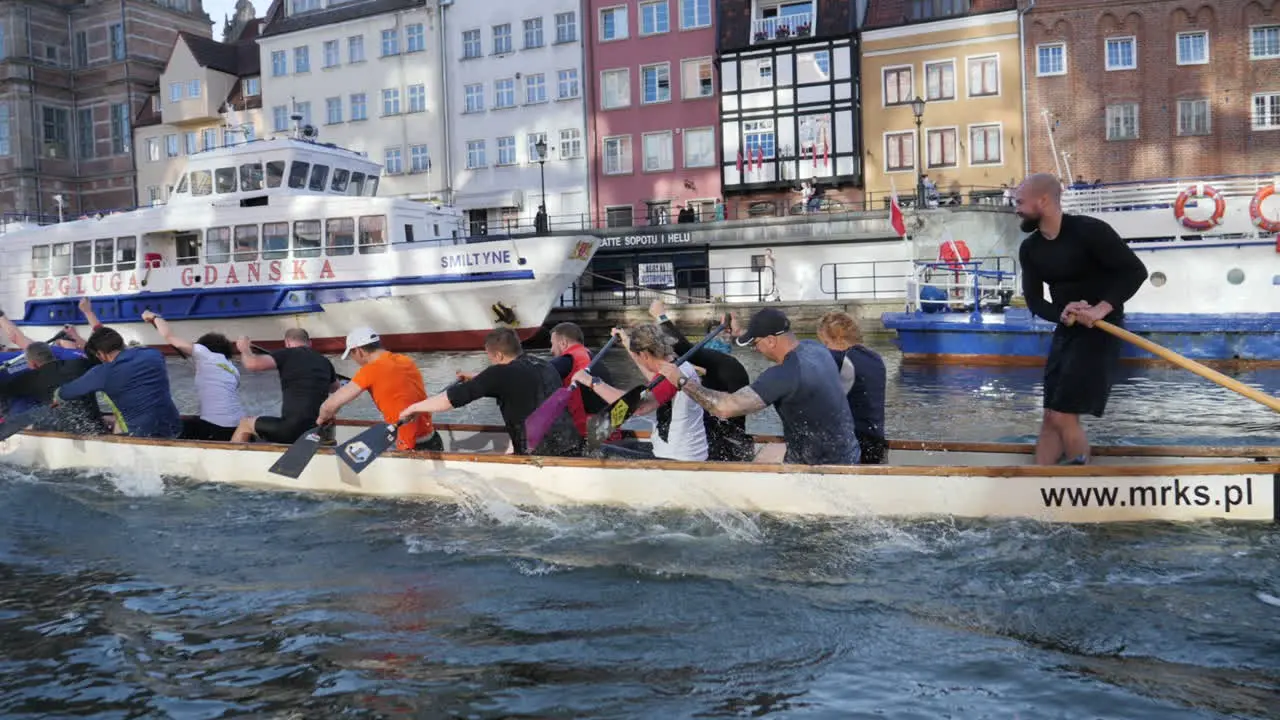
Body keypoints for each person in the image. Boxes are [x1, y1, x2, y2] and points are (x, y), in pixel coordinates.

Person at [1015, 172, 1148, 465]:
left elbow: (1135, 272)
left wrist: (1100, 309)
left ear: (1044, 200)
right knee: (1051, 415)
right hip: (1068, 333)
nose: (1017, 208)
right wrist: (1061, 314)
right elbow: (1035, 301)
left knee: (1063, 415)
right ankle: (1039, 482)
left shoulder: (1090, 231)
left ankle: (1078, 480)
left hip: (1102, 331)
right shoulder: (1030, 249)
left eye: (1020, 202)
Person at [658, 308, 860, 466]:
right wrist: (739, 334)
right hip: (849, 454)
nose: (756, 349)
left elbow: (724, 408)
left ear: (771, 341)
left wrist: (683, 381)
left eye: (756, 343)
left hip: (817, 469)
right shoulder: (815, 348)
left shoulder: (783, 375)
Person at [398, 328, 581, 457]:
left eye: (490, 358)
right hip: (571, 445)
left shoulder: (499, 373)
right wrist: (477, 378)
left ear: (499, 356)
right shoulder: (544, 365)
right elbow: (516, 382)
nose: (491, 363)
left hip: (540, 455)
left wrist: (413, 408)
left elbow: (450, 399)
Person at [574, 324, 708, 462]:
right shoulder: (675, 367)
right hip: (676, 452)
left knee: (593, 452)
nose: (640, 362)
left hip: (676, 460)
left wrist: (592, 381)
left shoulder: (670, 377)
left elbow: (639, 407)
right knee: (616, 445)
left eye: (638, 357)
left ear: (644, 355)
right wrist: (626, 341)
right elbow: (651, 374)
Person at [649, 301, 754, 462]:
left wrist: (660, 316)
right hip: (735, 445)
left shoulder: (727, 367)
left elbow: (684, 349)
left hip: (721, 450)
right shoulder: (727, 367)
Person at [316, 327, 443, 451]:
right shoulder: (405, 360)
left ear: (359, 351)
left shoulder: (370, 370)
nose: (354, 359)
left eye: (352, 354)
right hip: (432, 438)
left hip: (410, 445)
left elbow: (330, 405)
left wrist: (319, 421)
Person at [53, 326, 182, 438]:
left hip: (143, 434)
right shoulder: (153, 354)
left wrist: (56, 396)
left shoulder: (102, 372)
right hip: (174, 427)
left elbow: (66, 392)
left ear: (100, 354)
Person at [140, 311, 244, 441]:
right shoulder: (233, 369)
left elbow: (169, 336)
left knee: (169, 428)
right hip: (238, 425)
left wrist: (154, 318)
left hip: (215, 427)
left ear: (203, 346)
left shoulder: (205, 354)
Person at [231, 328, 339, 444]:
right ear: (310, 343)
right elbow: (336, 388)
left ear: (287, 343)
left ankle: (230, 461)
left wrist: (244, 348)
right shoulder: (324, 361)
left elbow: (252, 364)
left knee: (245, 424)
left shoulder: (286, 354)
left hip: (291, 429)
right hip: (316, 430)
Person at [817, 311, 888, 464]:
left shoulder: (840, 358)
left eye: (826, 343)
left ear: (839, 339)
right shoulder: (875, 358)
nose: (825, 348)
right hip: (876, 442)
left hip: (854, 444)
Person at [0, 341, 105, 434]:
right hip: (95, 425)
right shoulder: (79, 364)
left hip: (64, 431)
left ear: (32, 364)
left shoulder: (29, 379)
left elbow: (4, 392)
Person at [547, 322, 601, 430]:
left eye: (552, 344)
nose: (551, 350)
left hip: (583, 431)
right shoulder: (596, 359)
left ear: (563, 343)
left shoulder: (566, 361)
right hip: (604, 426)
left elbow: (533, 376)